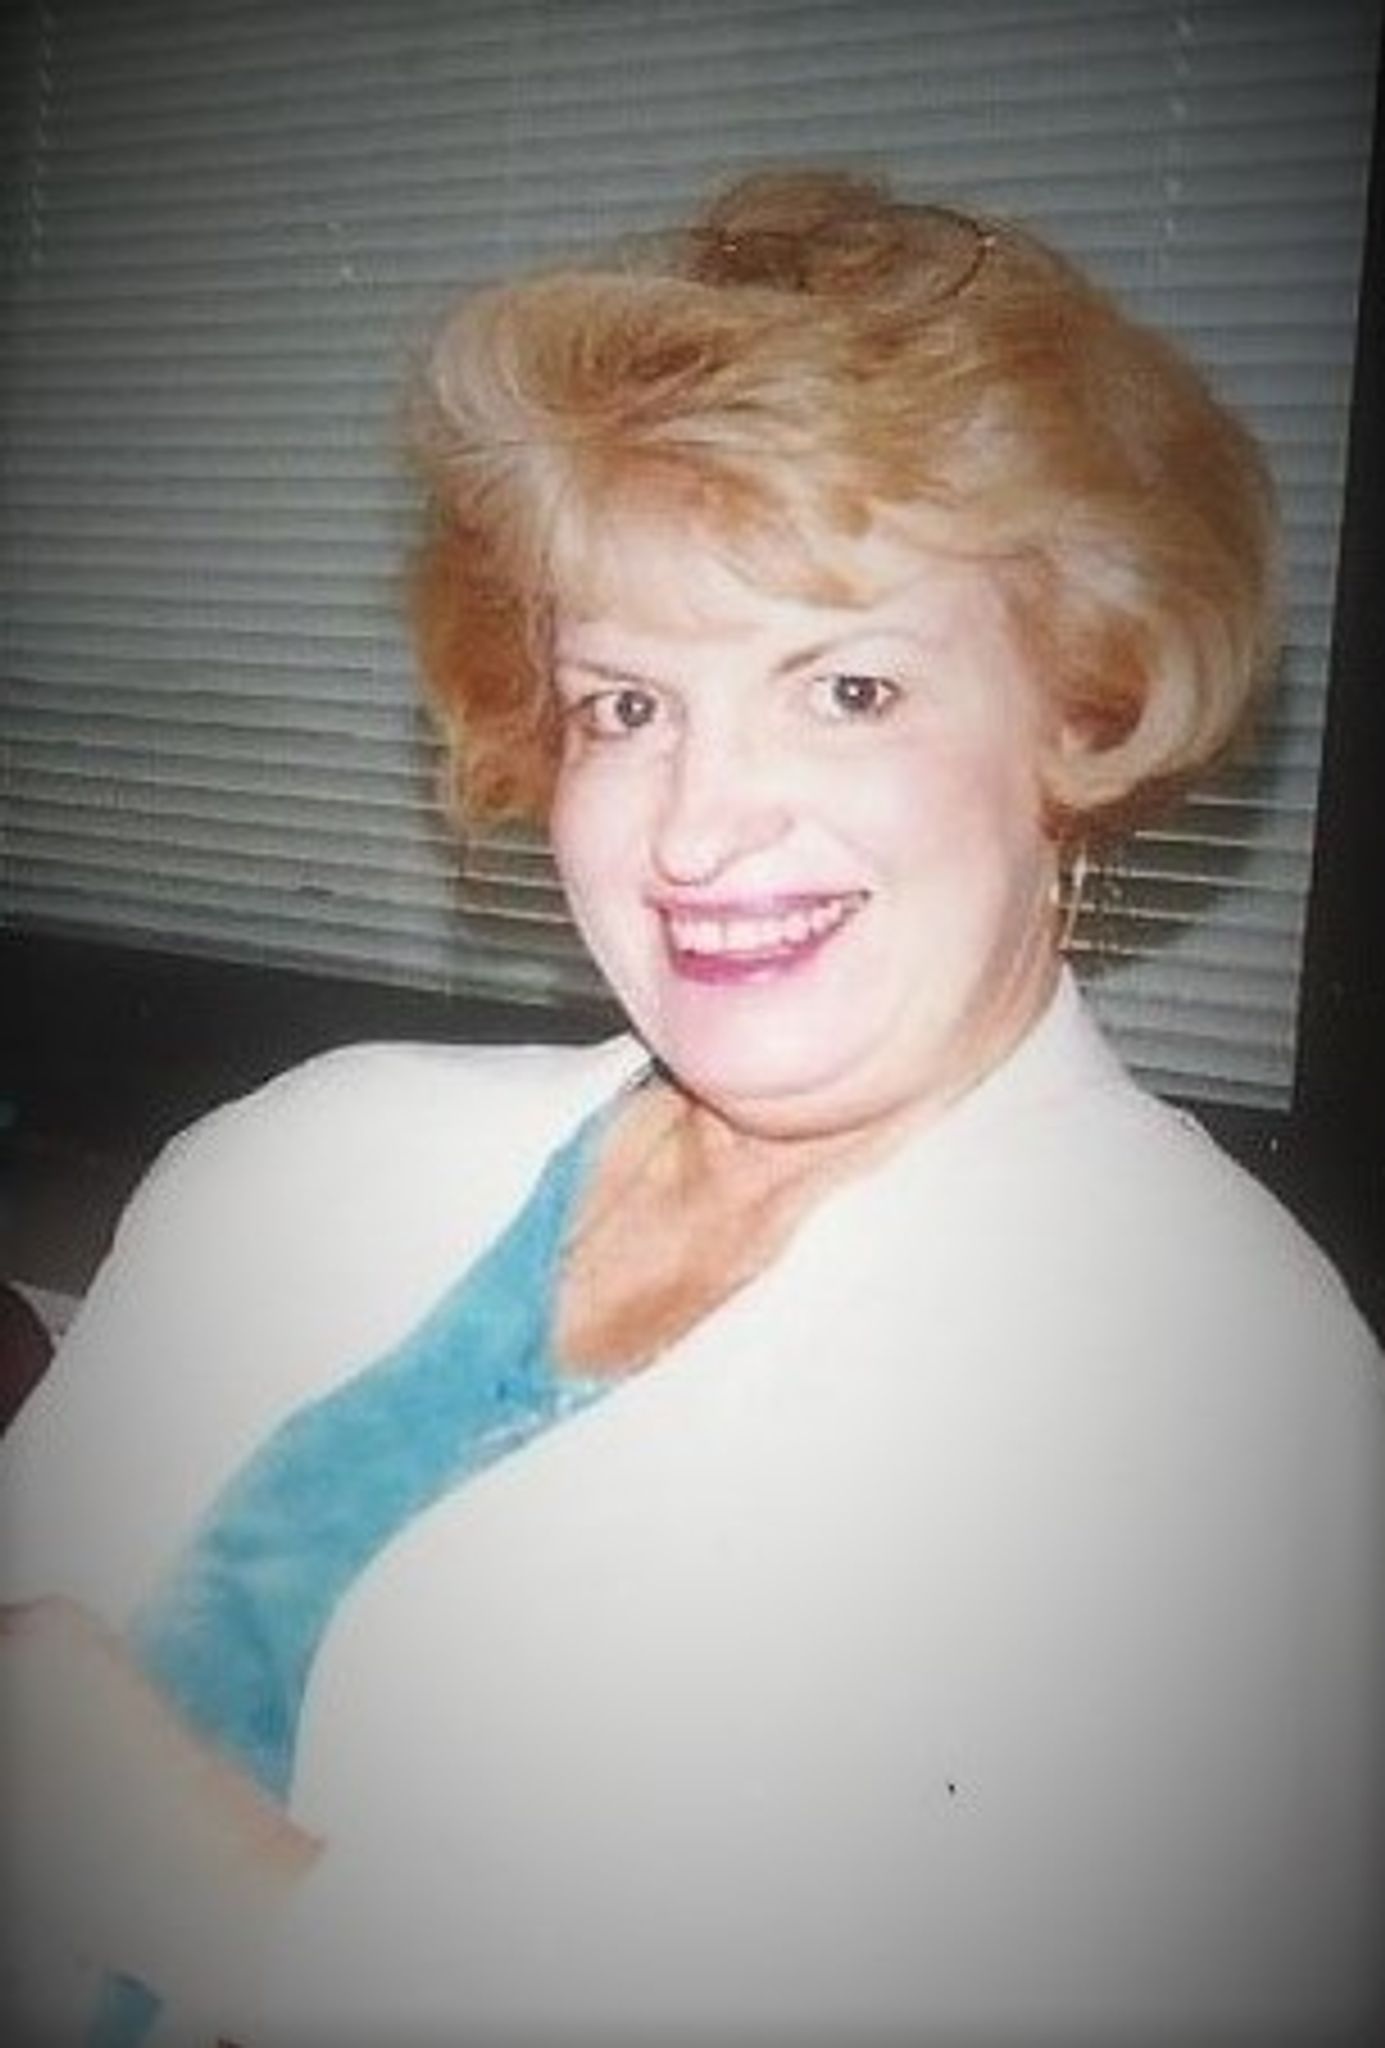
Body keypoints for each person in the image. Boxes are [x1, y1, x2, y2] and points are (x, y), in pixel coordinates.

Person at [2, 168, 1382, 2048]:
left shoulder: (1211, 1385)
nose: (698, 827)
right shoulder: (304, 1150)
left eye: (848, 688)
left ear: (1078, 721)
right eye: (626, 707)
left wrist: (185, 1874)